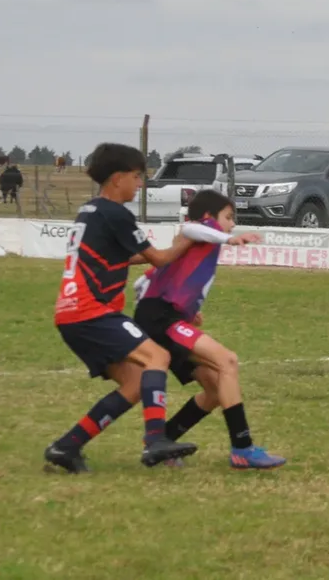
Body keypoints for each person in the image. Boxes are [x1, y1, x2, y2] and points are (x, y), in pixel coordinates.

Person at [44, 143, 198, 473]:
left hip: (71, 314)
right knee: (158, 357)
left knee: (137, 382)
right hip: (92, 311)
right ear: (117, 179)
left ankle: (66, 447)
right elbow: (158, 259)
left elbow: (123, 256)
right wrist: (188, 239)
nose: (140, 183)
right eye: (136, 176)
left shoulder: (91, 209)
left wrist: (171, 250)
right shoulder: (117, 213)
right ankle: (156, 440)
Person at [132, 189, 287, 469]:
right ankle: (242, 448)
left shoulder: (192, 245)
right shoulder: (195, 233)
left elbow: (140, 284)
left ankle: (162, 441)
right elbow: (191, 227)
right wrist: (229, 238)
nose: (232, 224)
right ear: (208, 218)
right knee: (227, 361)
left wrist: (186, 308)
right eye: (228, 217)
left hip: (164, 317)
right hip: (162, 320)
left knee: (215, 388)